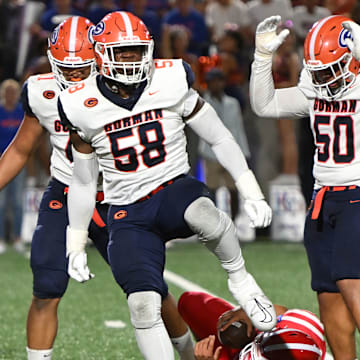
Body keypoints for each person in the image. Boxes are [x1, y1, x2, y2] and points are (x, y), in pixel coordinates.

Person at [57, 10, 276, 360]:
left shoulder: (170, 78)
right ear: (100, 54)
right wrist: (75, 242)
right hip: (128, 212)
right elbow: (83, 181)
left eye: (136, 50)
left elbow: (219, 136)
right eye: (122, 51)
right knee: (143, 305)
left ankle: (242, 281)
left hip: (173, 189)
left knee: (206, 214)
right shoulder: (79, 104)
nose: (131, 59)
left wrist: (249, 188)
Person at [0, 16, 194, 360]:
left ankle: (190, 353)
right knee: (46, 286)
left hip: (119, 197)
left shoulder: (128, 84)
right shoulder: (41, 91)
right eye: (65, 68)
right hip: (65, 191)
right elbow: (20, 149)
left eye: (81, 68)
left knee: (150, 289)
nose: (73, 76)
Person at [249, 14, 360, 360]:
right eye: (320, 70)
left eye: (333, 68)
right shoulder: (315, 88)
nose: (326, 78)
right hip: (322, 201)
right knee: (329, 298)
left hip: (356, 196)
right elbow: (264, 105)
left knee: (350, 281)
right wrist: (262, 59)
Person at [178, 291, 326, 360]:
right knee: (191, 303)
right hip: (251, 340)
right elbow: (282, 313)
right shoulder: (304, 324)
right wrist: (250, 312)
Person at [0, 79, 26, 254]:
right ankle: (1, 239)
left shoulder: (22, 112)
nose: (10, 95)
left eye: (13, 92)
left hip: (19, 163)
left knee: (18, 202)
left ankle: (17, 238)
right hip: (1, 162)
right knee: (1, 203)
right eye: (7, 91)